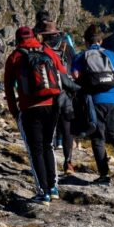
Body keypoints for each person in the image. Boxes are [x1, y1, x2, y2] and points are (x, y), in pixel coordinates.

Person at [4, 26, 67, 204]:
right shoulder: (46, 50)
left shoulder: (14, 57)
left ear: (17, 39)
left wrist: (15, 112)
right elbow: (62, 72)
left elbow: (9, 88)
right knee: (47, 145)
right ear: (34, 36)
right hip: (52, 105)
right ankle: (53, 188)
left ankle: (43, 192)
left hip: (30, 108)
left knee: (35, 150)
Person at [72, 24, 114, 186]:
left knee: (98, 138)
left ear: (86, 41)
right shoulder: (112, 55)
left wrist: (85, 81)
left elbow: (74, 75)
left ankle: (104, 175)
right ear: (100, 40)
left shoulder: (81, 56)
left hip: (95, 102)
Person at [35, 20, 78, 175]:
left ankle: (47, 166)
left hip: (46, 95)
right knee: (67, 128)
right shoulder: (67, 48)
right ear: (57, 33)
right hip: (66, 92)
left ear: (43, 36)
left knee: (47, 130)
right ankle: (68, 162)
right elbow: (75, 69)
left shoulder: (40, 50)